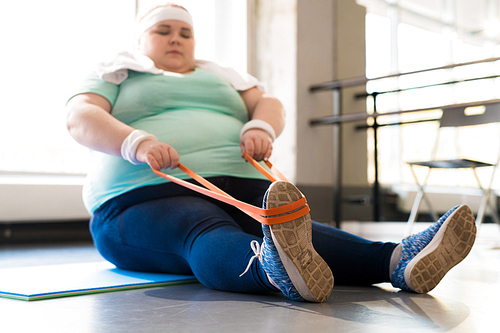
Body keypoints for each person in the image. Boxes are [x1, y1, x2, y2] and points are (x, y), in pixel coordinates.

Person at [66, 3, 477, 302]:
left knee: (288, 227)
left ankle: (397, 262)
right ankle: (269, 270)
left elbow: (269, 104)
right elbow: (80, 116)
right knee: (202, 226)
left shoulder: (221, 76)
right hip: (145, 195)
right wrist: (137, 142)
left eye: (185, 32)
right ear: (140, 41)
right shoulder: (117, 70)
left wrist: (260, 126)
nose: (176, 37)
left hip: (239, 185)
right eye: (163, 30)